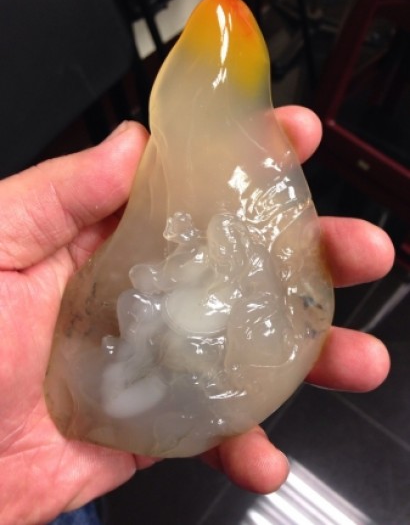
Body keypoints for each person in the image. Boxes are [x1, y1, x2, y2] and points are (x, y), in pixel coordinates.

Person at [0, 107, 394, 525]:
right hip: (157, 339)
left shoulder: (244, 286)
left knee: (140, 367)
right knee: (134, 338)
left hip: (184, 350)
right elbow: (162, 278)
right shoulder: (199, 267)